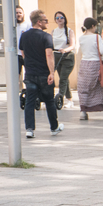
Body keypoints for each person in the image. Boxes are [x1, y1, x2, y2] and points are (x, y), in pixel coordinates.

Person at [19, 10, 63, 138]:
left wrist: (28, 63)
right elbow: (49, 55)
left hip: (30, 73)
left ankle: (29, 129)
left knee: (30, 101)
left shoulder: (24, 36)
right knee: (49, 101)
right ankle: (54, 127)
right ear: (39, 22)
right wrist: (51, 72)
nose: (47, 23)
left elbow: (23, 52)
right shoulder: (46, 36)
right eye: (45, 21)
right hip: (44, 73)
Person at [77, 17, 103, 120]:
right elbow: (102, 51)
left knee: (84, 88)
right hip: (95, 64)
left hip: (84, 64)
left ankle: (83, 111)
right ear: (92, 26)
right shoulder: (96, 37)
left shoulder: (81, 38)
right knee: (100, 87)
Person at [52, 11, 76, 108]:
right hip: (56, 55)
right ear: (55, 20)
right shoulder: (53, 31)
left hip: (67, 56)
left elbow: (72, 45)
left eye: (61, 17)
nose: (59, 19)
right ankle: (70, 100)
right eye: (57, 18)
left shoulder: (69, 31)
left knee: (63, 78)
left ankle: (59, 98)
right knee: (64, 79)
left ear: (65, 19)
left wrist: (65, 50)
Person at [16, 6, 32, 90]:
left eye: (20, 13)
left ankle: (29, 91)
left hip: (26, 54)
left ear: (23, 14)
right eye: (16, 13)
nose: (18, 14)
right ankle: (16, 93)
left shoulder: (28, 25)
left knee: (28, 75)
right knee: (16, 75)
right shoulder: (12, 26)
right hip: (16, 55)